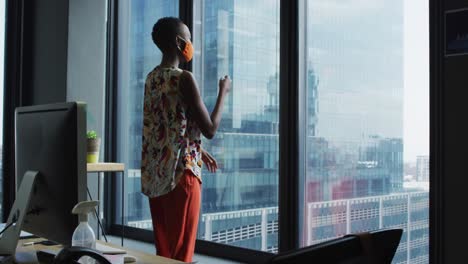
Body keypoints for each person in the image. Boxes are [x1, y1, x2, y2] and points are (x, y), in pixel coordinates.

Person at [141, 17, 231, 263]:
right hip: (182, 175)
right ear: (178, 42)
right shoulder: (184, 78)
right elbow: (210, 129)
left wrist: (197, 150)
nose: (191, 44)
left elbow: (164, 126)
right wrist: (224, 91)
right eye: (188, 38)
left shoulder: (151, 78)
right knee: (181, 255)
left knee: (165, 254)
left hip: (157, 176)